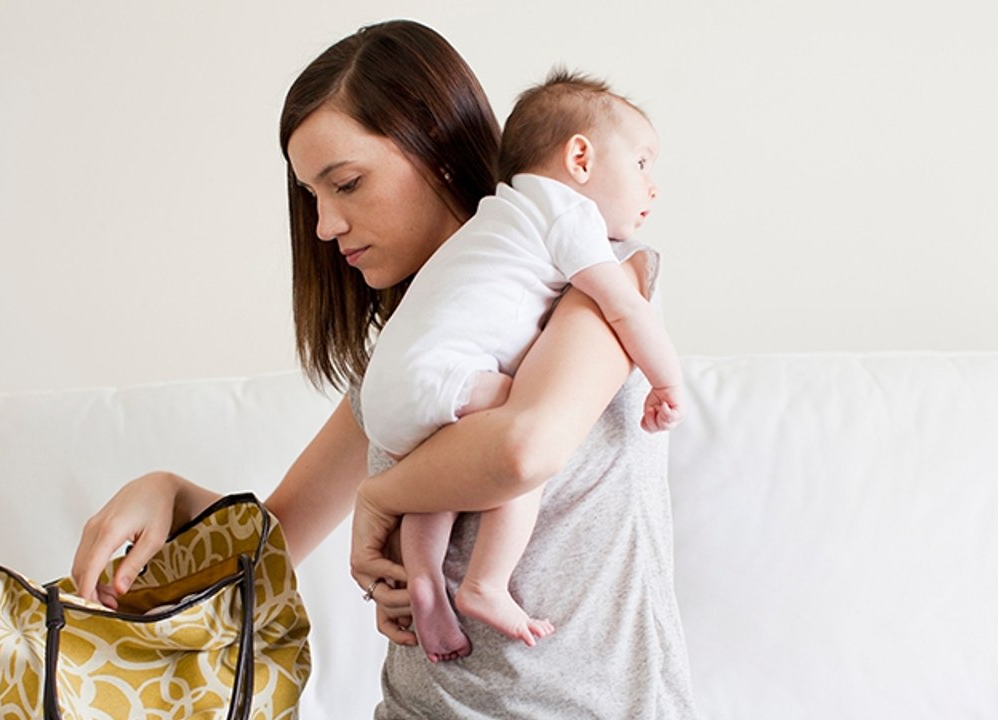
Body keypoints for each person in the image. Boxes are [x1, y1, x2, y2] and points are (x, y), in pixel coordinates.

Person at [72, 19, 697, 719]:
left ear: (437, 148)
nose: (324, 226)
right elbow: (274, 543)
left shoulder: (604, 277)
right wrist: (171, 491)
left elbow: (526, 447)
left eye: (347, 183)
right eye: (312, 196)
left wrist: (382, 497)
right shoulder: (401, 373)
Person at [360, 70, 684, 663]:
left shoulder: (496, 222)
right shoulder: (567, 215)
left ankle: (427, 578)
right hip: (440, 377)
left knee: (440, 475)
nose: (652, 187)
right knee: (513, 415)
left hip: (391, 391)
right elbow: (624, 312)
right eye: (641, 164)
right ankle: (486, 581)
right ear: (580, 157)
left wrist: (380, 495)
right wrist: (667, 381)